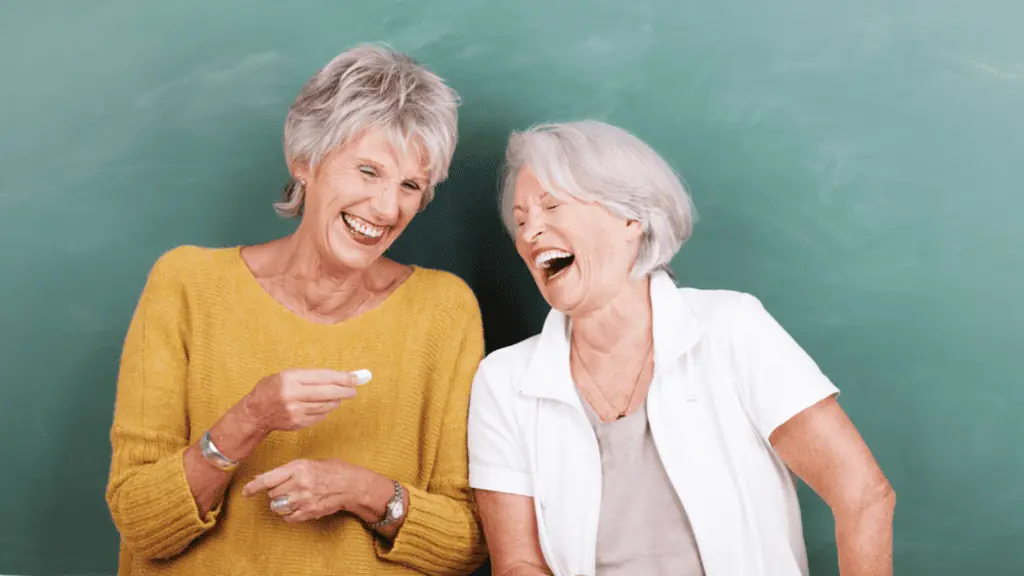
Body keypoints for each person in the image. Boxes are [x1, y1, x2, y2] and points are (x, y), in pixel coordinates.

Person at [105, 44, 487, 576]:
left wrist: (361, 491)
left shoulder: (444, 311)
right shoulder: (187, 284)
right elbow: (140, 522)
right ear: (305, 160)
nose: (386, 207)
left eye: (409, 186)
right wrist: (251, 419)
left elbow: (466, 544)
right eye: (367, 171)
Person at [467, 120, 896, 576]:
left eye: (551, 206)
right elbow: (519, 564)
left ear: (630, 218)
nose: (530, 233)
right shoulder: (503, 381)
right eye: (521, 220)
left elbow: (863, 495)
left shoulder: (732, 329)